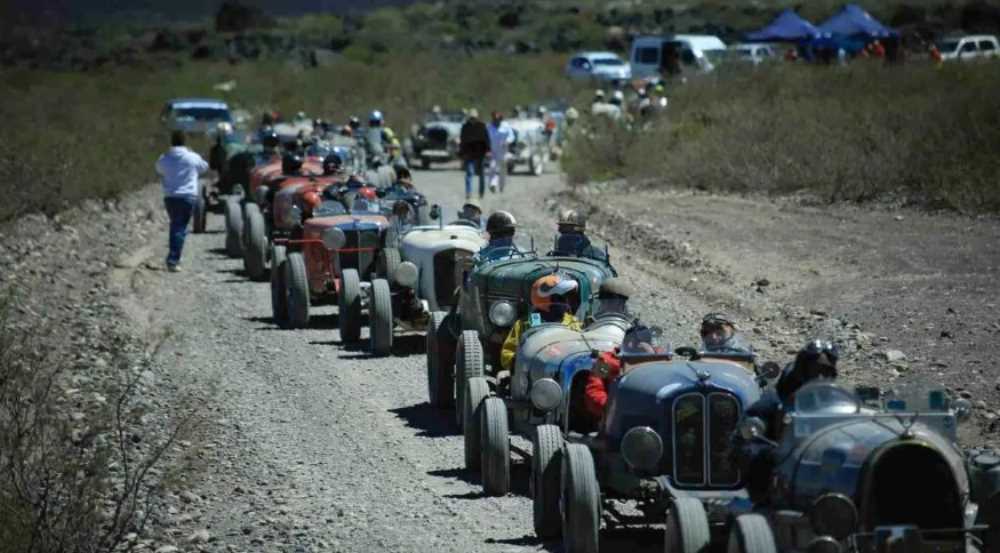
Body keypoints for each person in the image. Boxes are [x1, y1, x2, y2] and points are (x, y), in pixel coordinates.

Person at [500, 273, 583, 370]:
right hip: (532, 374)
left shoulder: (572, 322)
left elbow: (580, 348)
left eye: (567, 298)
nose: (566, 302)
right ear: (546, 299)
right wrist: (521, 361)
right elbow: (506, 355)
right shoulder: (525, 324)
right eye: (561, 298)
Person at [155, 131, 209, 272]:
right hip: (187, 197)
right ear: (185, 141)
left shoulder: (165, 158)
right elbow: (204, 167)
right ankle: (173, 260)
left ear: (171, 142)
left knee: (176, 226)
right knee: (179, 228)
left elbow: (158, 169)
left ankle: (174, 255)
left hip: (170, 197)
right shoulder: (192, 157)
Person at [459, 109, 490, 200]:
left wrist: (488, 150)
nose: (472, 119)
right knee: (469, 173)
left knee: (481, 174)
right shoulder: (465, 127)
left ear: (477, 117)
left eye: (474, 117)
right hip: (469, 154)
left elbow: (486, 139)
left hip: (481, 153)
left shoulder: (482, 126)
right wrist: (461, 153)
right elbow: (462, 140)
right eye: (471, 118)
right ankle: (468, 193)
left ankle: (481, 192)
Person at [487, 111, 514, 194]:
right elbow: (485, 139)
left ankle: (502, 185)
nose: (496, 121)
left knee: (502, 170)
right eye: (495, 119)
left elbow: (512, 136)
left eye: (498, 119)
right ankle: (493, 184)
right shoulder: (489, 127)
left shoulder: (506, 126)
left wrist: (507, 141)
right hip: (493, 151)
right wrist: (486, 150)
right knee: (492, 167)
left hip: (503, 151)